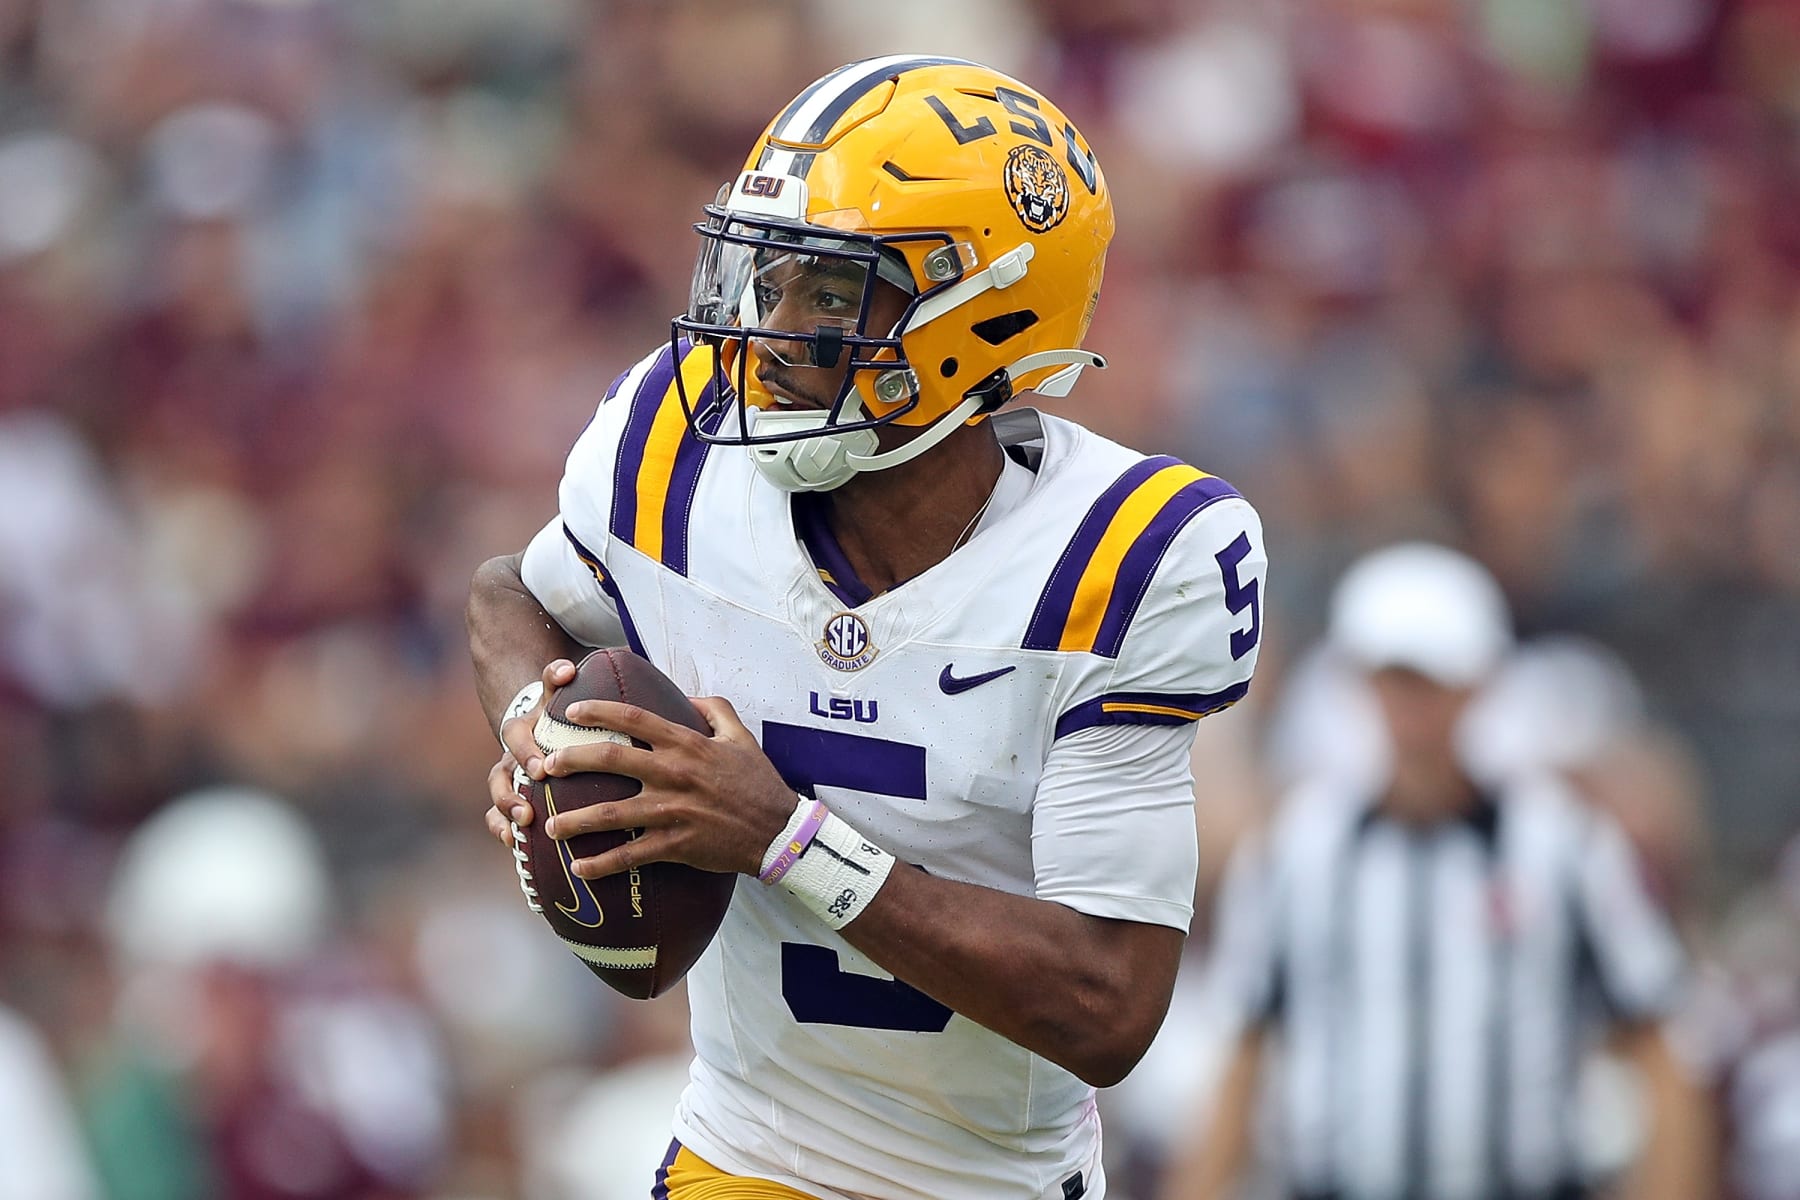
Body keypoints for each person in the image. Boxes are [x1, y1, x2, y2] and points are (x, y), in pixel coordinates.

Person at [466, 55, 1267, 1200]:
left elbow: (1109, 1003)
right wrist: (536, 721)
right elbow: (509, 589)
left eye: (832, 297)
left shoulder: (1130, 556)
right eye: (772, 282)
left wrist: (783, 839)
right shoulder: (671, 458)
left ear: (985, 314)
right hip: (740, 1156)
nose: (775, 333)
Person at [1158, 544, 1711, 1200]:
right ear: (1361, 686)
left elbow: (1658, 1049)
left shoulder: (1564, 846)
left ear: (1479, 686)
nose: (1410, 707)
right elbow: (1244, 1060)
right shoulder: (1297, 852)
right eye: (1393, 679)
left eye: (1431, 681)